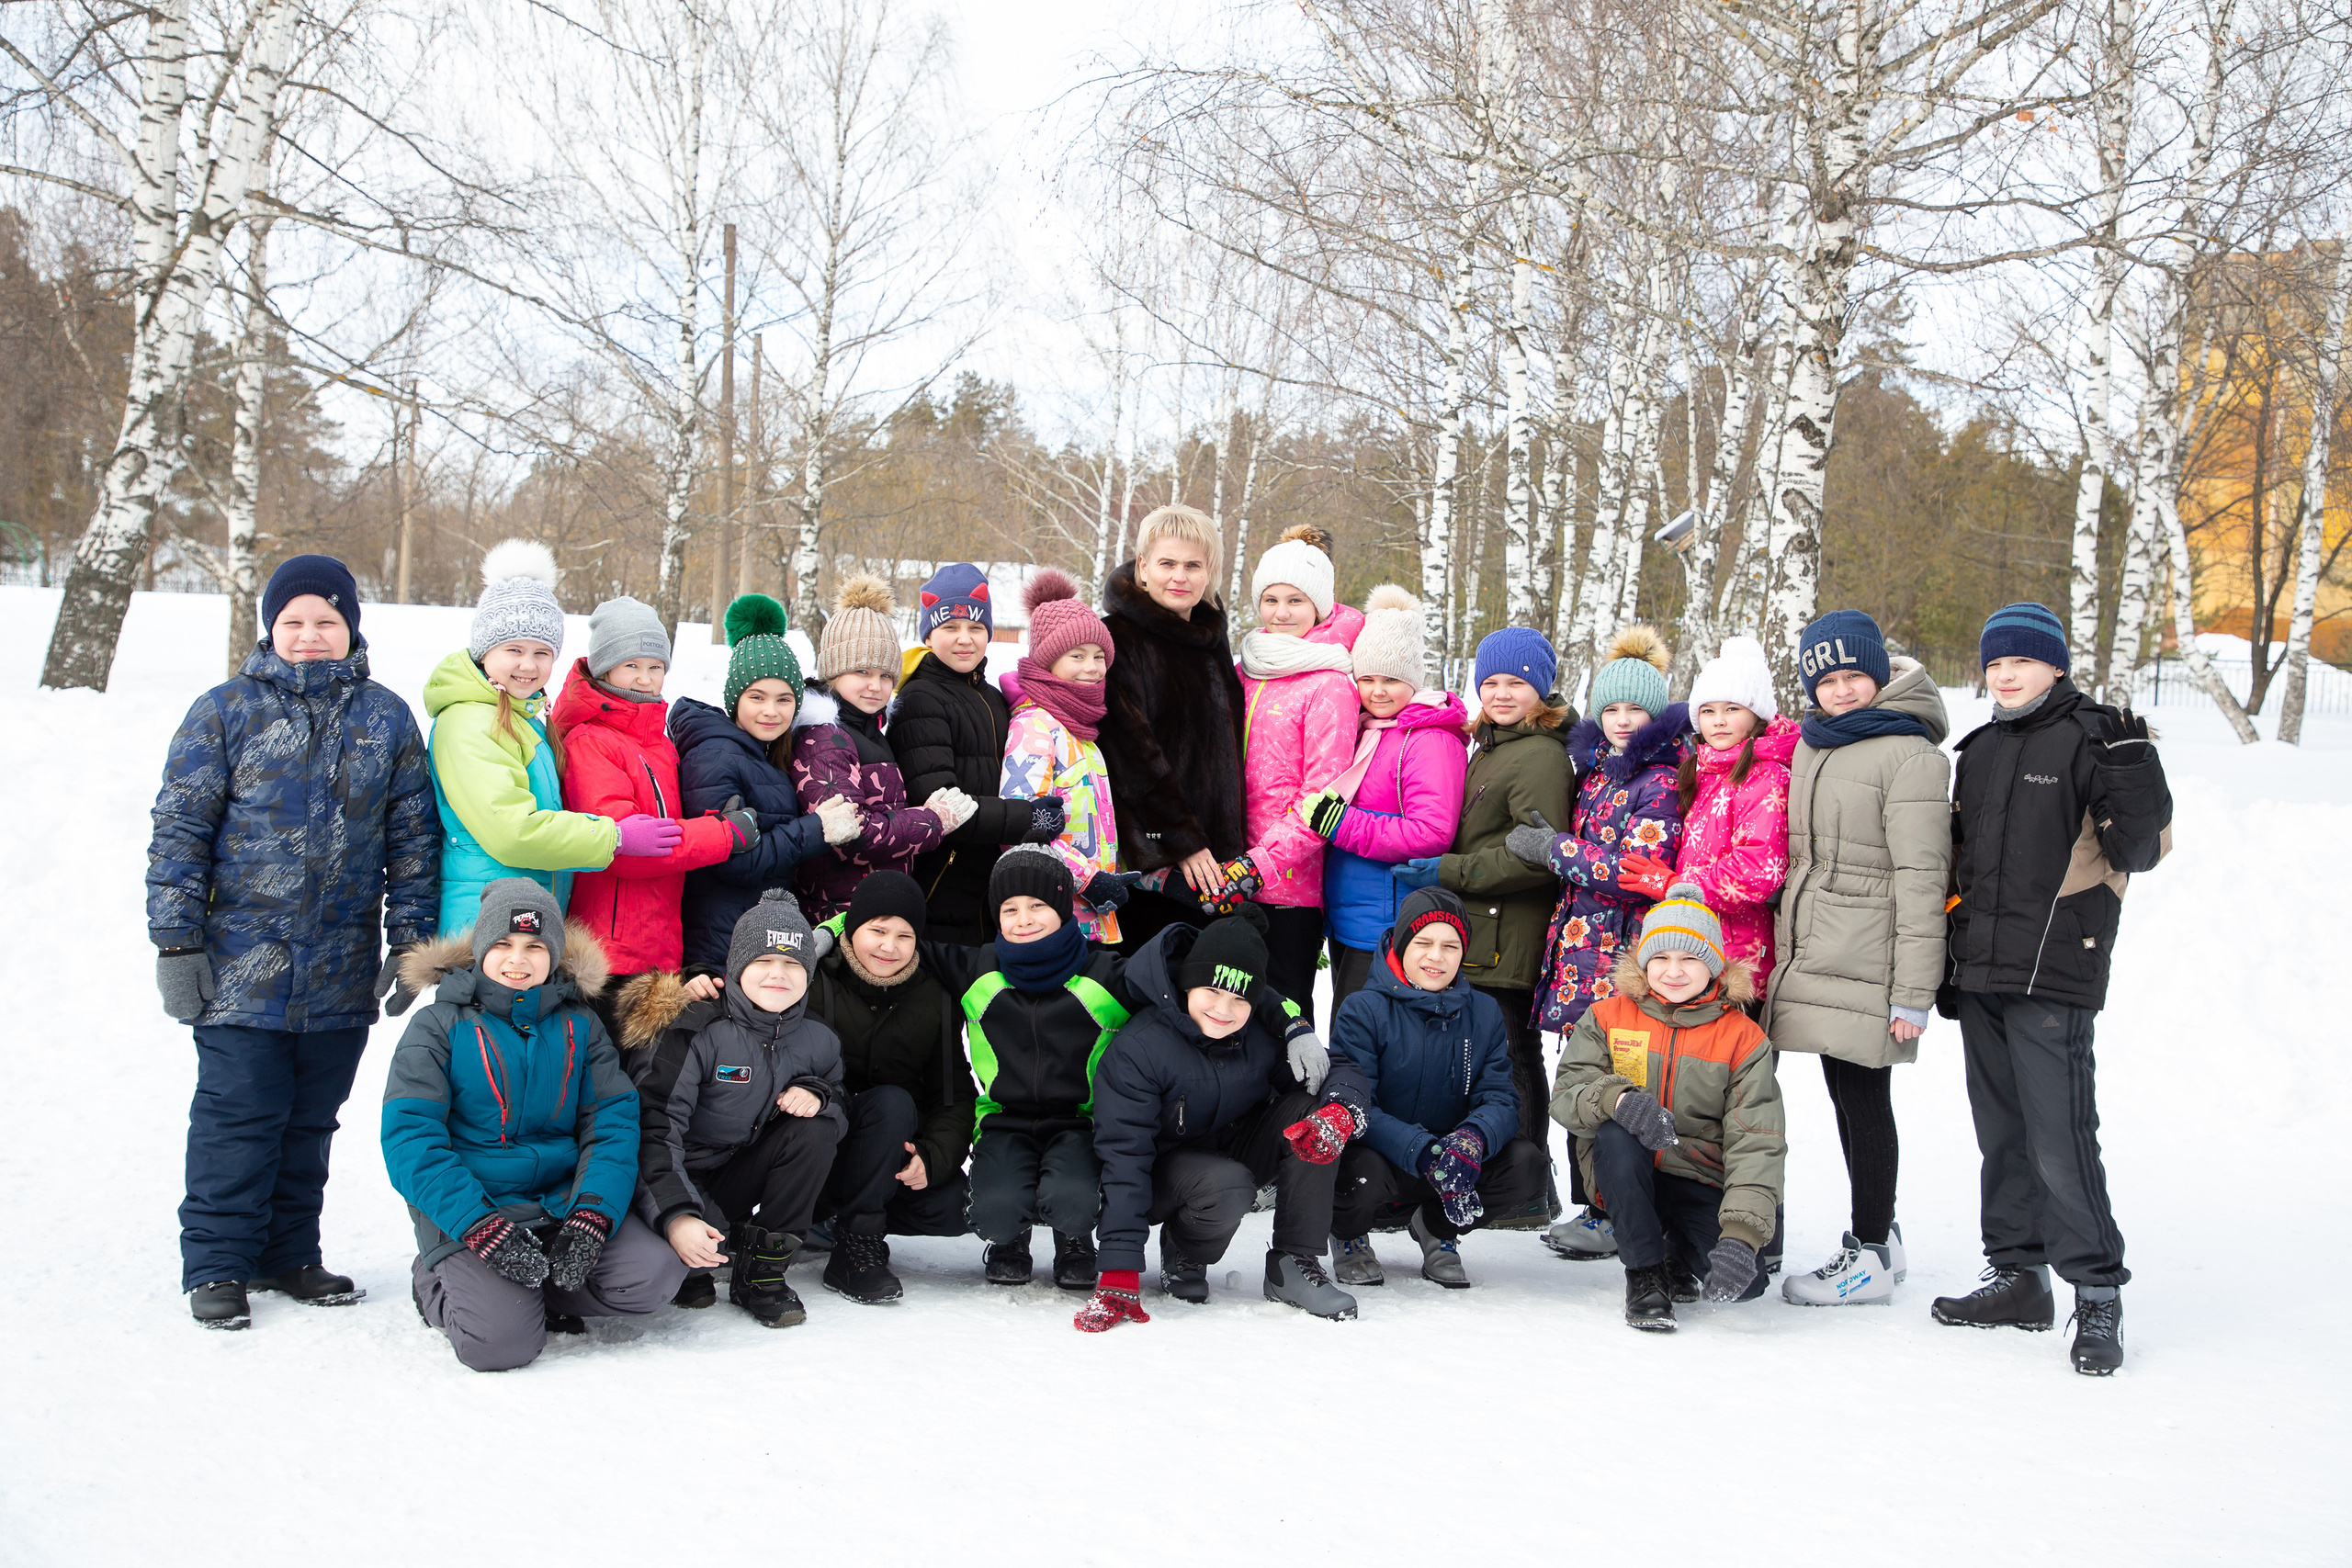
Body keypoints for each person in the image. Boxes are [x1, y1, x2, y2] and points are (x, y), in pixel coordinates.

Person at [149, 554, 440, 1329]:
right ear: (271, 628)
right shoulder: (225, 711)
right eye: (294, 623)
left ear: (350, 628)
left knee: (311, 1119)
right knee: (237, 1114)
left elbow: (413, 840)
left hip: (339, 971)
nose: (311, 637)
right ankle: (216, 1263)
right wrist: (177, 946)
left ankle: (288, 1253)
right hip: (241, 967)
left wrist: (410, 944)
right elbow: (180, 830)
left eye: (327, 622)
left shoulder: (386, 716)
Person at [886, 845, 1322, 1291]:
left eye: (1038, 906)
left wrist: (1292, 1021)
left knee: (1074, 1202)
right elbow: (890, 939)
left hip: (1081, 1124)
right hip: (1003, 1122)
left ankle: (1075, 1239)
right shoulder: (976, 968)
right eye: (1010, 909)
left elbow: (1215, 979)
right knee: (992, 1211)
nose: (1024, 919)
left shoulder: (1108, 973)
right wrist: (832, 930)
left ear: (1062, 909)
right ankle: (1009, 1237)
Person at [1930, 604, 2170, 1376]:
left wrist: (2136, 771)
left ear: (2055, 666)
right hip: (1985, 972)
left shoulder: (2093, 737)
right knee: (2001, 1134)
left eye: (2023, 662)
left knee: (2060, 1137)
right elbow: (1960, 865)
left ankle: (2096, 1291)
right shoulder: (1980, 749)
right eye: (1995, 663)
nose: (2005, 674)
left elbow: (2142, 847)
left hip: (2056, 968)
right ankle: (2020, 1277)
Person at [383, 880, 683, 1371]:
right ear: (481, 949)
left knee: (653, 1276)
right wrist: (480, 1228)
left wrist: (592, 1216)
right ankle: (440, 1285)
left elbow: (611, 1124)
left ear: (555, 956)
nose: (517, 959)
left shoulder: (581, 1026)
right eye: (502, 944)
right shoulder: (437, 1027)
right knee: (500, 1346)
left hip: (561, 1203)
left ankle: (534, 1292)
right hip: (477, 1212)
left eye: (534, 946)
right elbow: (410, 1140)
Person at [1765, 609, 1952, 1308]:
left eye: (1854, 676)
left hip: (1869, 959)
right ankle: (1885, 1239)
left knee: (1865, 1094)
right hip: (1815, 949)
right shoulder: (1817, 742)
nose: (1842, 690)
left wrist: (1913, 992)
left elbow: (1921, 877)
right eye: (1828, 678)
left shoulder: (1912, 755)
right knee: (1844, 1095)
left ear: (1878, 674)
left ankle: (1870, 1248)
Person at [1080, 907, 1374, 1329]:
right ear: (1187, 984)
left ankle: (1294, 1262)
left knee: (1314, 1111)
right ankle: (1185, 1250)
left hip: (1232, 1147)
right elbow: (1123, 1158)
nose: (1223, 1009)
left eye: (1240, 998)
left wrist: (1342, 1111)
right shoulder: (1140, 1049)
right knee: (1228, 1184)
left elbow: (1337, 1067)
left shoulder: (1259, 1035)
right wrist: (1119, 1270)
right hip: (1162, 1173)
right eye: (1211, 991)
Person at [1506, 625, 1688, 1259]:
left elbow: (1634, 872)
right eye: (1611, 708)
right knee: (1579, 1081)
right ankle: (1594, 1206)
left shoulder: (1660, 781)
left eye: (1635, 710)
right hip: (1581, 957)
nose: (1621, 720)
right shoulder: (1600, 773)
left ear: (1656, 714)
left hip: (1623, 960)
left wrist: (1555, 849)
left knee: (1620, 1083)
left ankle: (1618, 1210)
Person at [1391, 626, 1574, 1232]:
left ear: (1540, 690)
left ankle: (1525, 1185)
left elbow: (1536, 854)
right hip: (1483, 928)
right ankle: (1524, 1181)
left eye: (1515, 682)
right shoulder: (1494, 744)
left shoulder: (1540, 754)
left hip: (1507, 930)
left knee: (1513, 1055)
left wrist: (1447, 869)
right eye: (1490, 681)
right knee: (1501, 1051)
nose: (1500, 692)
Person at [1553, 885, 1785, 1332]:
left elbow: (1758, 1140)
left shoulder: (1743, 1037)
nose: (1673, 972)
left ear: (1713, 964)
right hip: (1628, 1173)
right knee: (1616, 1135)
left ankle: (1678, 1251)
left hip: (1701, 1176)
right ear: (1643, 962)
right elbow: (1567, 1094)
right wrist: (1616, 1100)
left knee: (1748, 1283)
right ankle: (1645, 1274)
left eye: (1690, 959)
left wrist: (1742, 1235)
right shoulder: (1607, 1016)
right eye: (1660, 958)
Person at [424, 539, 679, 934]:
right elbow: (513, 832)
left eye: (542, 653)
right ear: (485, 649)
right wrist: (613, 836)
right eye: (514, 650)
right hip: (484, 925)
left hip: (522, 919)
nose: (528, 665)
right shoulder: (469, 723)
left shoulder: (524, 715)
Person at [617, 889, 847, 1328]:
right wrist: (679, 1215)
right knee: (699, 1253)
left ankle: (761, 1273)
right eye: (763, 962)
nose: (777, 975)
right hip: (670, 1174)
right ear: (738, 967)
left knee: (816, 1130)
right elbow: (652, 1130)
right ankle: (696, 1244)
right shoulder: (697, 1027)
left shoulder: (819, 1039)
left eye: (793, 964)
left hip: (736, 1172)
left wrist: (821, 1094)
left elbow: (841, 1099)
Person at [549, 595, 753, 1030]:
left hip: (660, 944)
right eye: (631, 666)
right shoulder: (592, 741)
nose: (645, 678)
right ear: (605, 670)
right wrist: (723, 834)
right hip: (612, 951)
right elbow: (631, 845)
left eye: (655, 666)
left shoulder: (656, 740)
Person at [1327, 888, 1545, 1289]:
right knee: (1355, 1168)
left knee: (1526, 1163)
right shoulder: (1363, 1009)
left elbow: (1500, 1094)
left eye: (1451, 946)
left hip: (1451, 1162)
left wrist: (1472, 1139)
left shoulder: (1482, 1012)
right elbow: (1358, 1105)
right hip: (1384, 1157)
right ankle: (1347, 1233)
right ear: (1401, 944)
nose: (1436, 957)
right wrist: (1422, 1150)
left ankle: (1435, 1227)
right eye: (1424, 943)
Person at [801, 872, 977, 1305]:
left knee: (957, 1206)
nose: (889, 947)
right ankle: (854, 1247)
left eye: (904, 935)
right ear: (853, 928)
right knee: (889, 1102)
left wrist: (934, 1157)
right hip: (816, 1149)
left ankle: (843, 1224)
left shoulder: (933, 996)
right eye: (877, 930)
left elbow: (951, 1095)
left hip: (887, 1157)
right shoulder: (814, 980)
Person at [669, 592, 858, 972]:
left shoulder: (765, 753)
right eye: (757, 697)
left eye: (784, 699)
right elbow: (730, 861)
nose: (771, 711)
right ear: (735, 697)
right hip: (720, 947)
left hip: (754, 938)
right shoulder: (716, 756)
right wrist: (815, 829)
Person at [1305, 586, 1467, 1005]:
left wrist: (1340, 824)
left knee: (1364, 1042)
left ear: (1412, 680)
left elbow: (1432, 833)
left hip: (1388, 923)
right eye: (1367, 678)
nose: (1377, 691)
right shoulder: (1366, 731)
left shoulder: (1428, 739)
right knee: (1347, 1030)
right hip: (1348, 913)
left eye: (1391, 680)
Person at [1096, 504, 1250, 948]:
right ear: (1143, 567)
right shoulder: (1116, 640)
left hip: (1217, 860)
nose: (1179, 577)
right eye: (1167, 563)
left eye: (1192, 565)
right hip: (1156, 863)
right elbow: (1133, 758)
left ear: (1210, 573)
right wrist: (1183, 841)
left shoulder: (1209, 640)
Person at [1229, 526, 1363, 1023]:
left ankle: (1290, 1103)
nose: (1280, 613)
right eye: (1269, 599)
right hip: (1226, 875)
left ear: (1320, 607)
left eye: (1294, 600)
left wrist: (1260, 863)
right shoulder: (1244, 670)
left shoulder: (1330, 683)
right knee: (1226, 1015)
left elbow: (1323, 797)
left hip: (1287, 885)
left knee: (1281, 1014)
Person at [893, 562, 1062, 942]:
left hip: (991, 884)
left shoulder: (993, 699)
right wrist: (1027, 818)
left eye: (975, 628)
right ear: (928, 635)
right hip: (944, 882)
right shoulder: (920, 698)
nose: (964, 639)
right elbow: (940, 802)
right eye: (949, 628)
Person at [789, 575, 974, 919]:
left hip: (871, 911)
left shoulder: (870, 730)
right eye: (861, 671)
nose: (875, 686)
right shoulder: (824, 739)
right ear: (833, 671)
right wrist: (933, 820)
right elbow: (850, 838)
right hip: (837, 918)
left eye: (886, 676)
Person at [998, 569, 1135, 943]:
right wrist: (1088, 878)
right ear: (1048, 662)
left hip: (1094, 918)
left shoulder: (1082, 730)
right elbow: (1021, 827)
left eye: (1098, 656)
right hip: (1052, 917)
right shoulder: (1034, 727)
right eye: (1077, 655)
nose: (1092, 668)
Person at [1672, 635, 1799, 991]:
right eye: (1709, 711)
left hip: (1740, 950)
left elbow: (1758, 868)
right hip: (1696, 938)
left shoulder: (1767, 774)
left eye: (1732, 709)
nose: (1719, 721)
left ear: (1756, 714)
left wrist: (1681, 885)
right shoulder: (1704, 769)